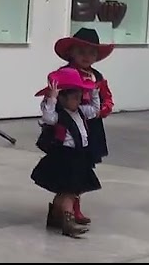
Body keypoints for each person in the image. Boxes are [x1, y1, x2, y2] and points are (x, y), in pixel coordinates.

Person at [46, 28, 115, 226]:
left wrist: (103, 108)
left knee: (84, 168)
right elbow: (54, 98)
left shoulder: (97, 76)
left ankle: (73, 207)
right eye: (82, 52)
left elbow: (106, 97)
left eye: (92, 53)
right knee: (70, 169)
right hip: (69, 127)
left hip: (91, 127)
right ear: (71, 53)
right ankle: (65, 208)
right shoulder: (65, 74)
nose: (87, 57)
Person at [31, 68, 102, 239]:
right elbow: (47, 117)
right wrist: (52, 98)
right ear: (62, 98)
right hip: (64, 158)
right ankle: (67, 222)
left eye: (80, 96)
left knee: (66, 191)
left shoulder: (81, 111)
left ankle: (55, 216)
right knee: (70, 191)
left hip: (79, 157)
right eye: (75, 97)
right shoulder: (58, 115)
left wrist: (93, 92)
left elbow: (95, 109)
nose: (79, 100)